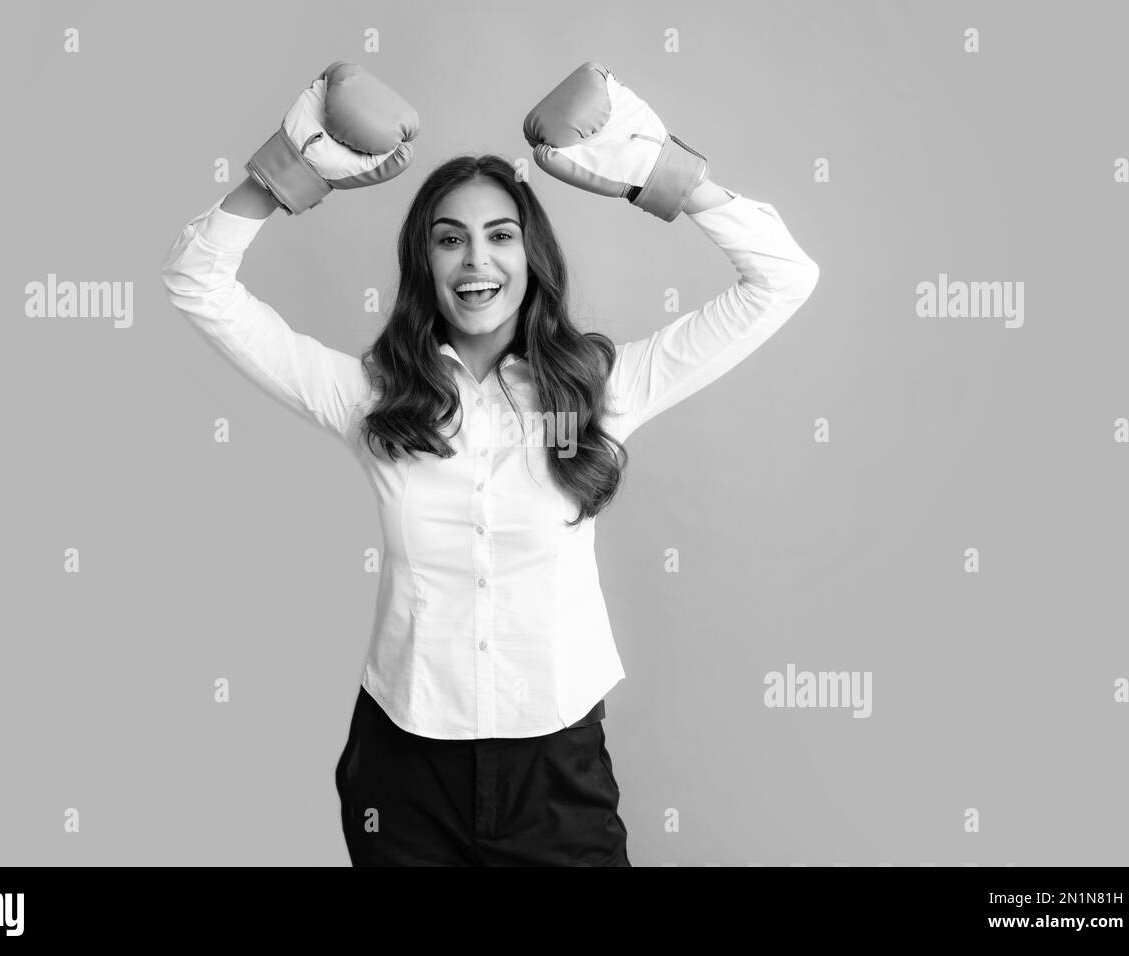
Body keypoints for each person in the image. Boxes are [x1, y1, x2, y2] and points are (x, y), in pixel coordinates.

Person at [160, 60, 820, 866]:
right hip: (403, 770)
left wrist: (656, 169)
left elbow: (783, 278)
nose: (477, 262)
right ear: (425, 265)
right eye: (450, 240)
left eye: (500, 236)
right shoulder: (370, 398)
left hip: (557, 769)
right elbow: (196, 283)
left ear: (530, 254)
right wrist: (286, 171)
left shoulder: (602, 392)